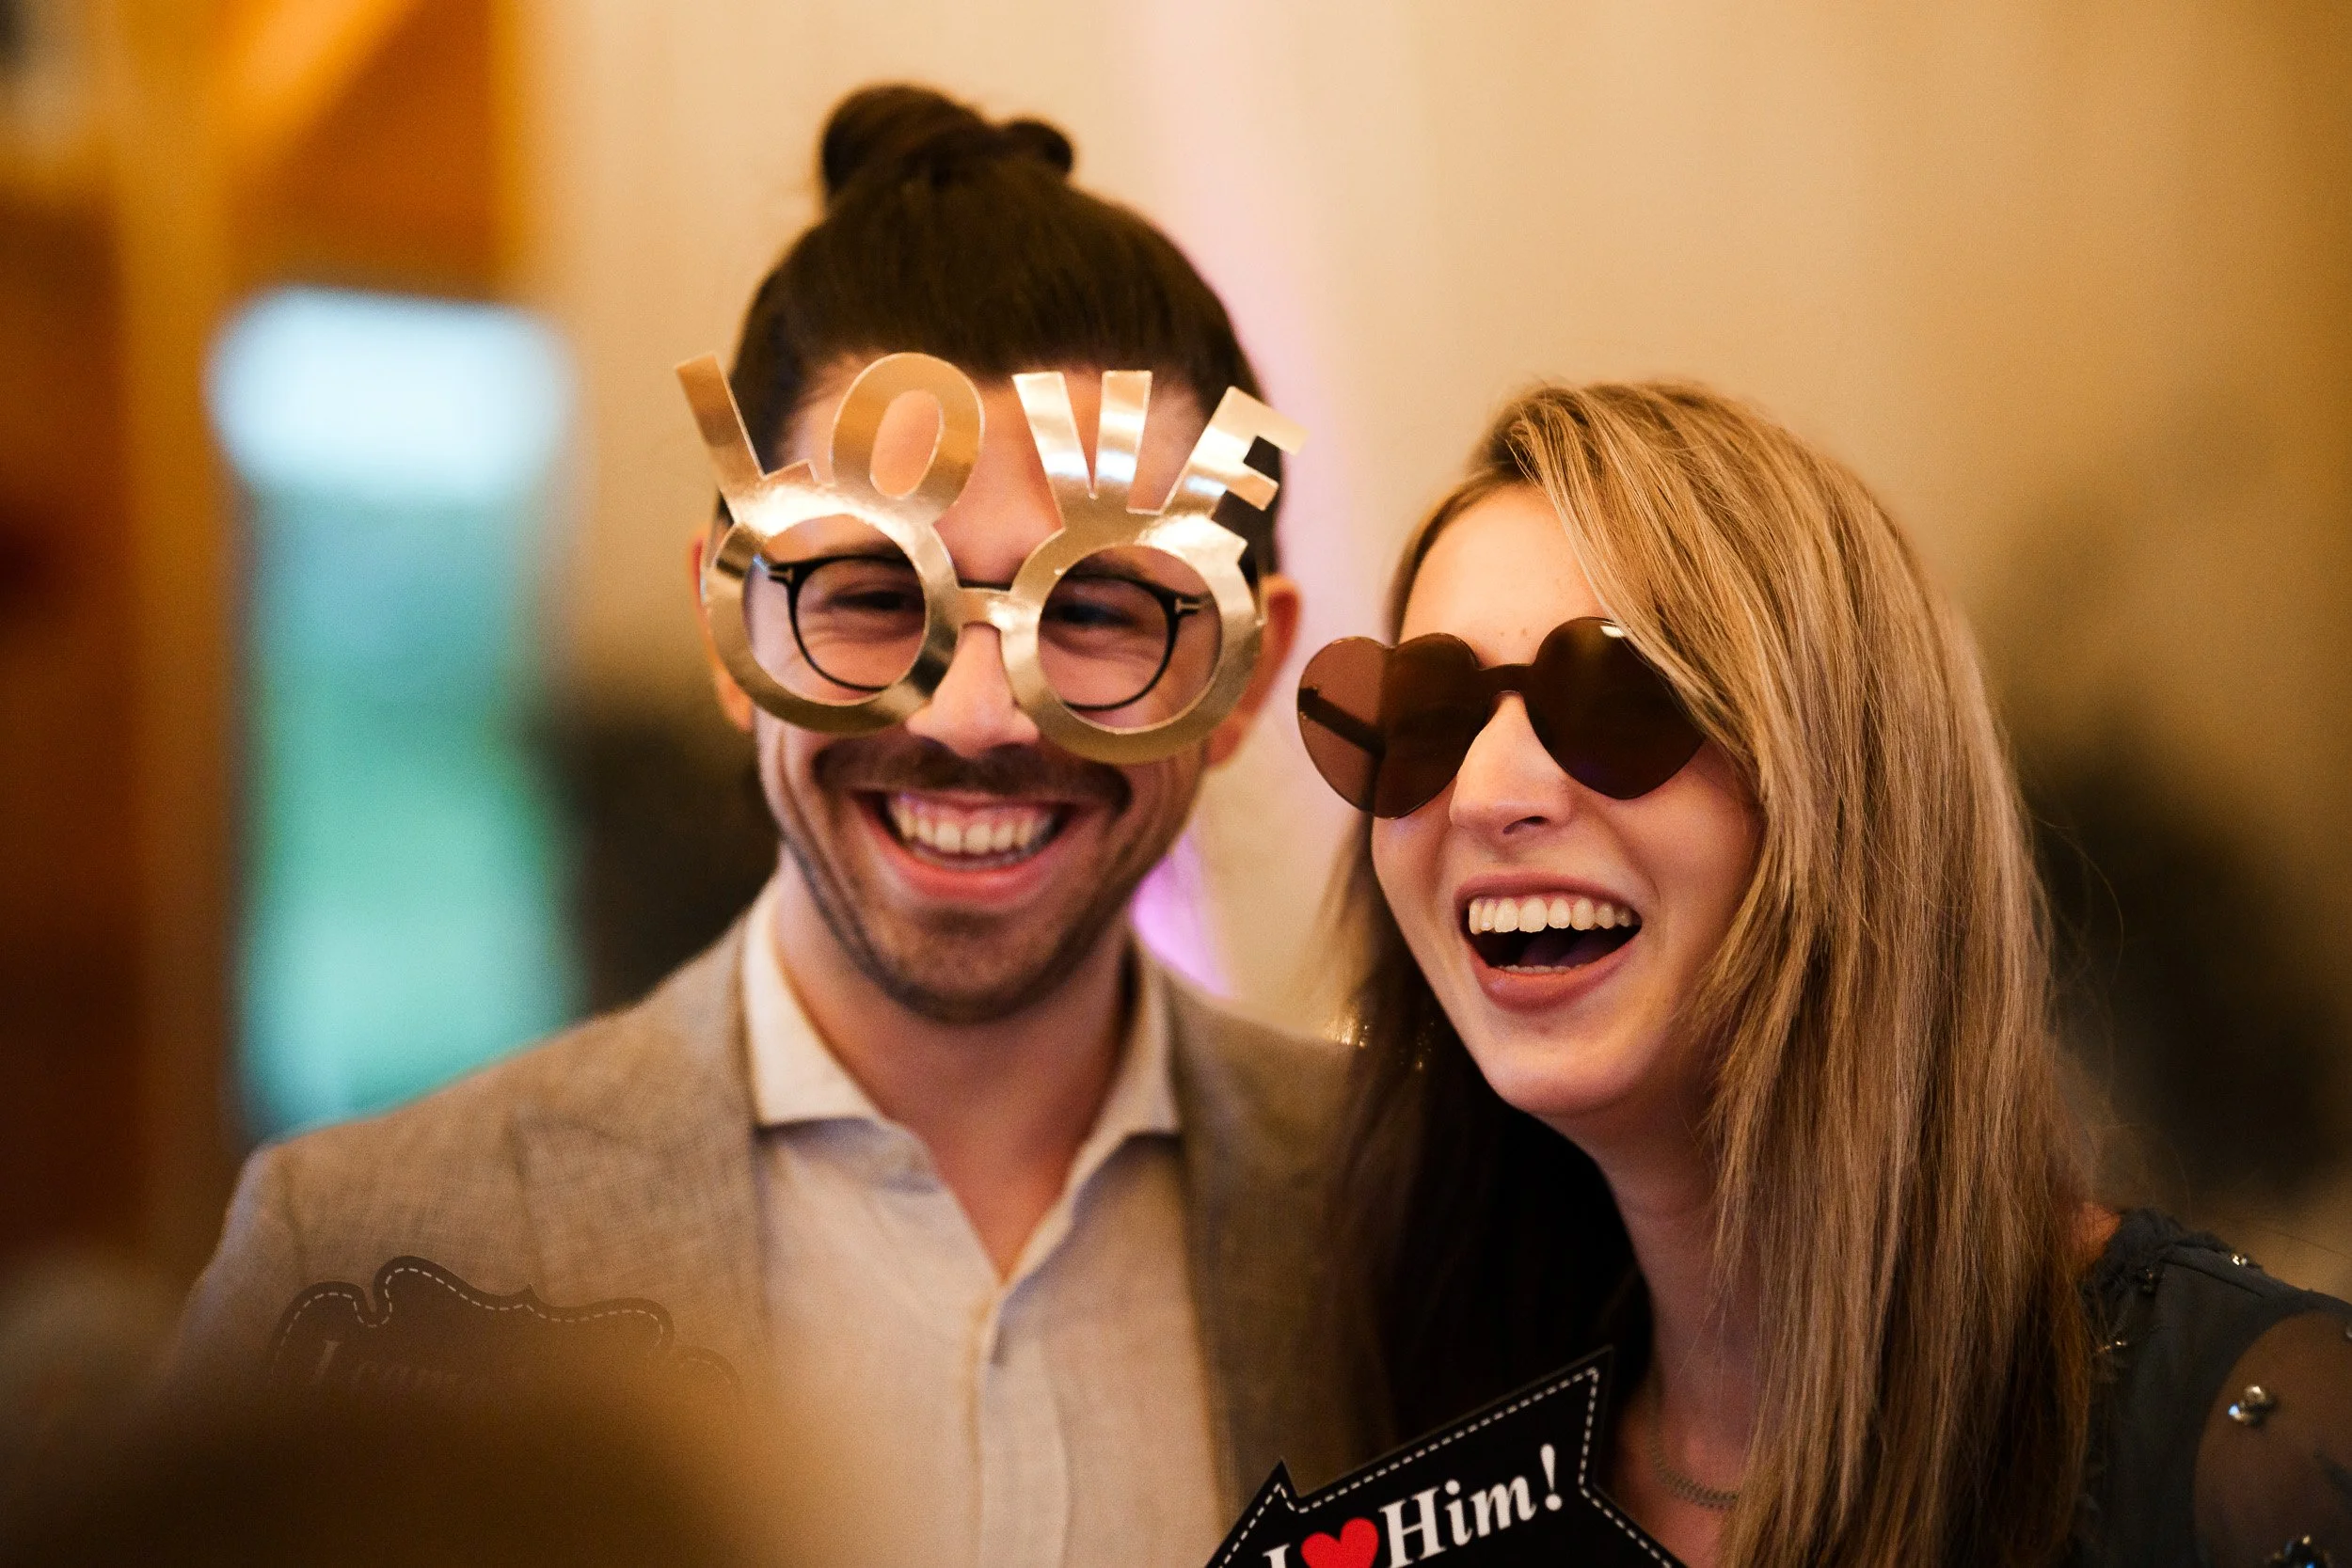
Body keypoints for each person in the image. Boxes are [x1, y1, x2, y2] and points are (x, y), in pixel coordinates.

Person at [176, 84, 1369, 1568]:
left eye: (1104, 611)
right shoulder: (359, 1250)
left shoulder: (1420, 1219)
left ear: (1247, 664)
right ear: (726, 619)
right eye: (873, 597)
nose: (981, 715)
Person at [1295, 382, 2352, 1566]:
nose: (1487, 794)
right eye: (1425, 715)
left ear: (1845, 786)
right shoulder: (1444, 1459)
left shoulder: (2261, 1440)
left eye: (1614, 695)